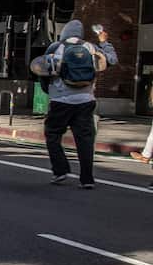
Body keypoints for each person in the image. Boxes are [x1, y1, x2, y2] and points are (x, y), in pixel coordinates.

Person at [41, 20, 117, 189]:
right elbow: (112, 60)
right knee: (85, 140)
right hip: (86, 100)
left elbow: (43, 72)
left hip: (60, 100)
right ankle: (87, 178)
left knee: (52, 134)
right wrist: (104, 42)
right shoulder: (91, 48)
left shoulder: (55, 47)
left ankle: (60, 170)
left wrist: (50, 91)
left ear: (65, 33)